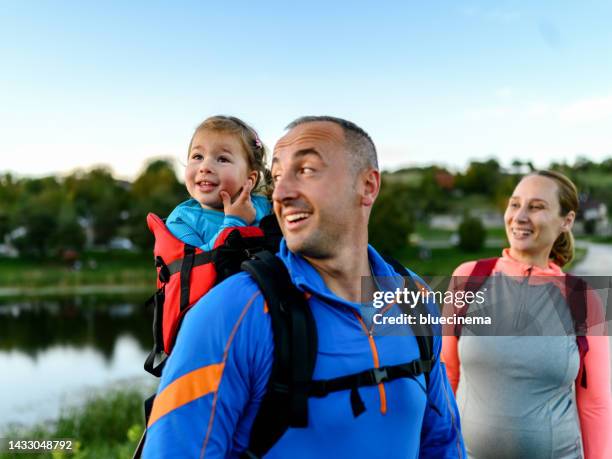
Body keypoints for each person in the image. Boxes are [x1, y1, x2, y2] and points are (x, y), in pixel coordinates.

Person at [142, 116, 465, 458]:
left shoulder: (413, 297)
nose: (280, 192)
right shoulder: (226, 312)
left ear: (368, 186)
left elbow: (443, 442)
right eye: (278, 175)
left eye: (307, 170)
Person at [442, 170, 612, 459]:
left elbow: (595, 402)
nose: (520, 216)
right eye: (515, 204)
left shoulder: (582, 298)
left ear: (566, 221)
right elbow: (446, 376)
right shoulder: (469, 277)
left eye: (536, 207)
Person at [165, 115, 272, 251]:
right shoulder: (182, 220)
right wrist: (235, 222)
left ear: (249, 179)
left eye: (222, 159)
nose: (205, 167)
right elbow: (200, 266)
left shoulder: (266, 207)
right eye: (198, 156)